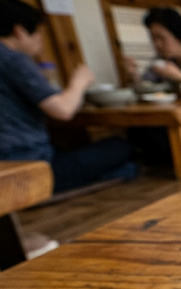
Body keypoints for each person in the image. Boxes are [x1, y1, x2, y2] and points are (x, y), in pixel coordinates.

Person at [0, 0, 134, 194]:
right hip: (30, 167)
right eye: (38, 33)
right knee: (121, 147)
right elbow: (63, 110)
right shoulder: (13, 59)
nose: (40, 40)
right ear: (19, 30)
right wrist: (79, 82)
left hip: (12, 163)